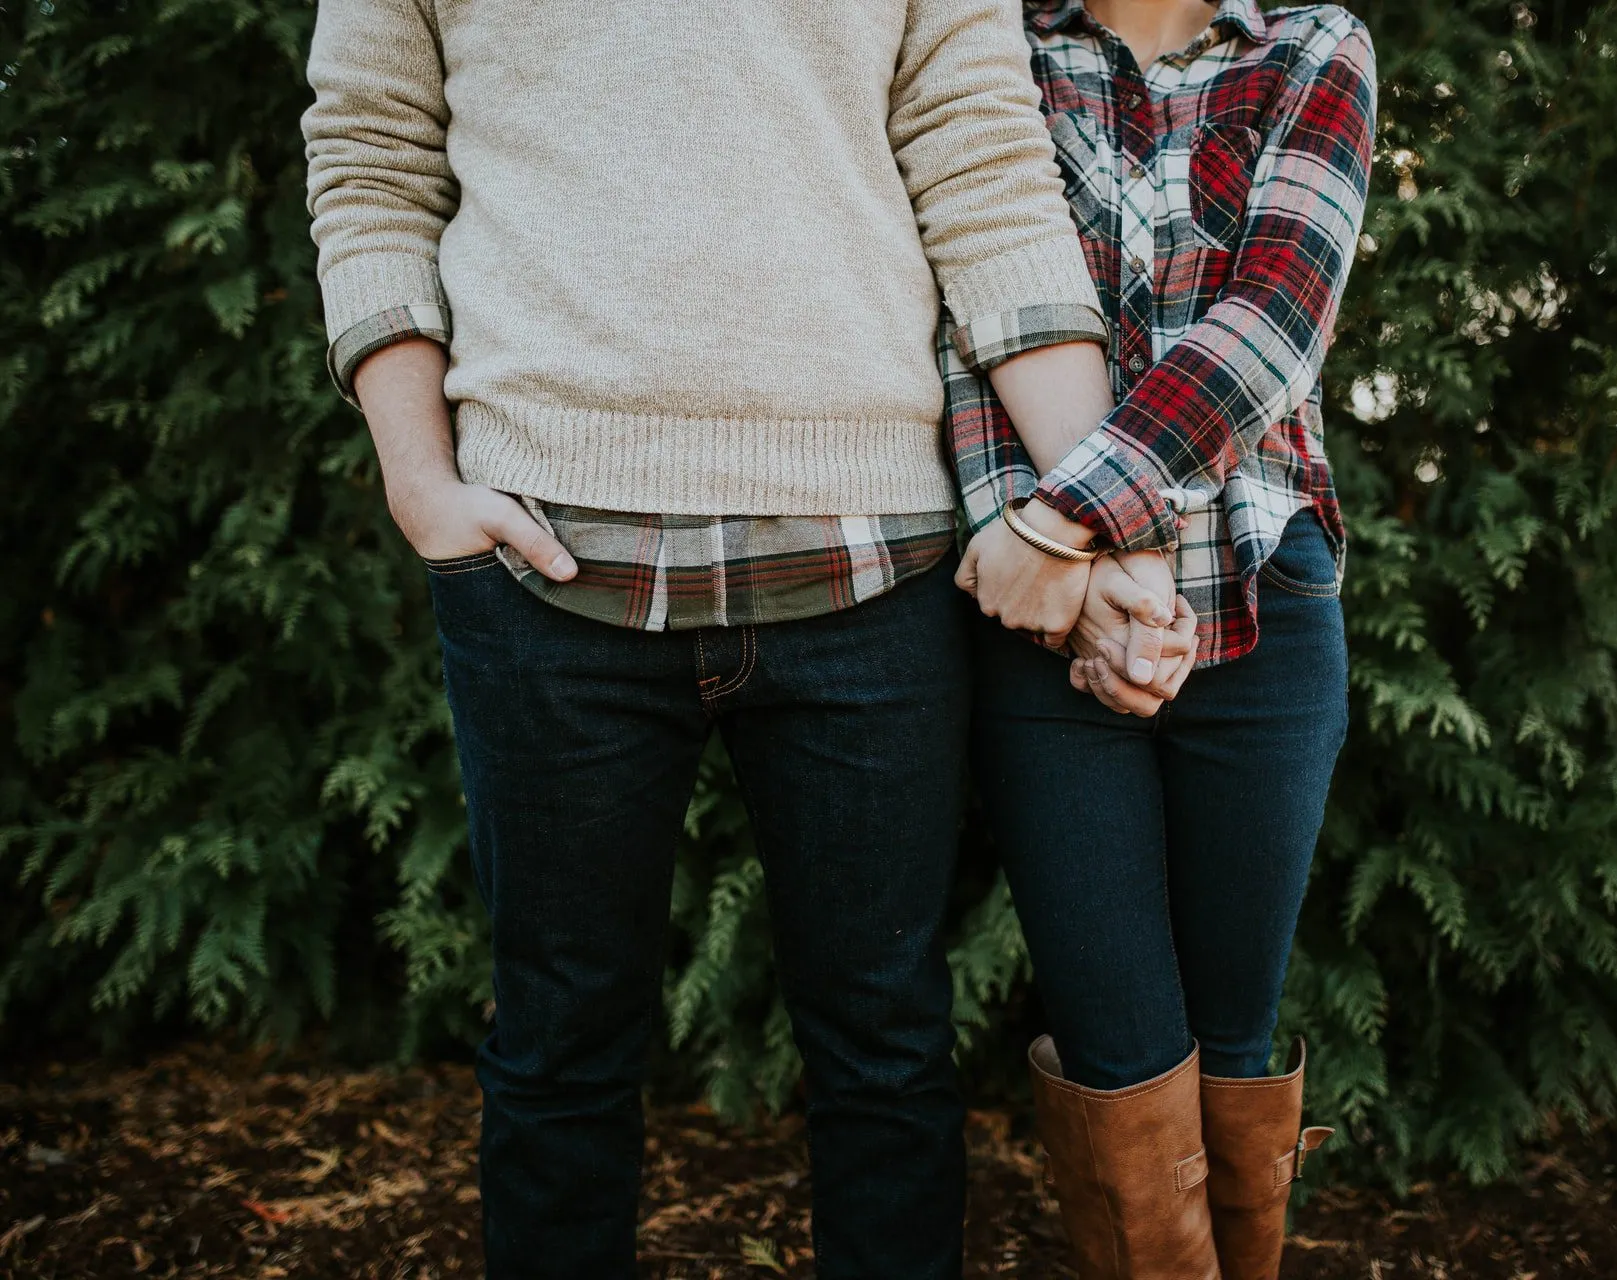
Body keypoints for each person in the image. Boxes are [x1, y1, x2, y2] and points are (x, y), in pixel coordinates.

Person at [299, 1, 1139, 1275]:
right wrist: (420, 481)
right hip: (545, 566)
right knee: (558, 1048)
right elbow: (370, 159)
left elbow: (986, 174)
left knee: (887, 1053)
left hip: (871, 567)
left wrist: (1100, 511)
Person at [946, 1, 1377, 1276]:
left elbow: (1275, 323)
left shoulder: (1310, 47)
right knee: (1119, 1055)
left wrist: (1071, 524)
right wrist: (1066, 575)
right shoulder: (991, 48)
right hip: (1043, 622)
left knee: (1235, 1042)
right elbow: (966, 317)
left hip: (1260, 592)